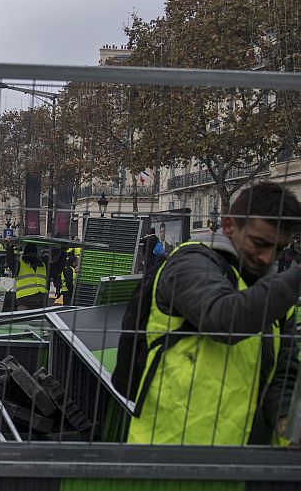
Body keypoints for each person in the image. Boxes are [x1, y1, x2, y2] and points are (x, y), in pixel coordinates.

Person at [126, 182, 301, 446]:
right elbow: (224, 320)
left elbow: (283, 374)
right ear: (229, 226)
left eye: (278, 249)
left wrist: (287, 421)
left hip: (249, 464)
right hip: (172, 459)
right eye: (260, 243)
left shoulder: (273, 292)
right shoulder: (189, 263)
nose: (267, 258)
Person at [12, 242, 49, 310]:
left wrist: (9, 247)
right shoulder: (21, 265)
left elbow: (10, 261)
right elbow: (57, 269)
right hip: (27, 302)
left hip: (34, 301)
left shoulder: (42, 265)